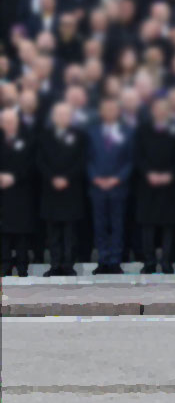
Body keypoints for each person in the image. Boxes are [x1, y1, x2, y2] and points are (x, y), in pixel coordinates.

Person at [37, 103, 88, 277]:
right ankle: (55, 265)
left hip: (71, 190)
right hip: (51, 191)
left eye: (66, 114)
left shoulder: (79, 136)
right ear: (53, 117)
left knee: (70, 233)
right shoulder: (44, 136)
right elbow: (40, 160)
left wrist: (67, 178)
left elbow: (82, 160)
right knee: (53, 234)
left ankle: (68, 265)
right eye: (59, 114)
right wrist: (53, 177)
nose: (62, 118)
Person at [133, 98, 175, 274]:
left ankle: (167, 261)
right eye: (158, 108)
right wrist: (149, 173)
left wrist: (172, 174)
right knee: (148, 225)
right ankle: (150, 262)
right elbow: (137, 155)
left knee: (169, 226)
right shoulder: (142, 130)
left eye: (164, 108)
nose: (161, 112)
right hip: (148, 184)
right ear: (152, 111)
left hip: (170, 185)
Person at [86, 98, 133, 275]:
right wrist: (95, 178)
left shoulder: (128, 132)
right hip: (97, 187)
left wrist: (117, 179)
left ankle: (115, 261)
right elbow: (87, 159)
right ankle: (103, 259)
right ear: (101, 112)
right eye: (106, 109)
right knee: (99, 225)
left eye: (113, 109)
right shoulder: (92, 132)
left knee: (117, 224)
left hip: (118, 187)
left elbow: (130, 160)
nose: (110, 113)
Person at [0, 109, 37, 277]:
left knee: (21, 232)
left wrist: (14, 177)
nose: (9, 125)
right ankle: (5, 265)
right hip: (2, 193)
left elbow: (32, 164)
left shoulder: (27, 140)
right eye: (5, 121)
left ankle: (22, 266)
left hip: (21, 192)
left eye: (11, 121)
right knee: (4, 232)